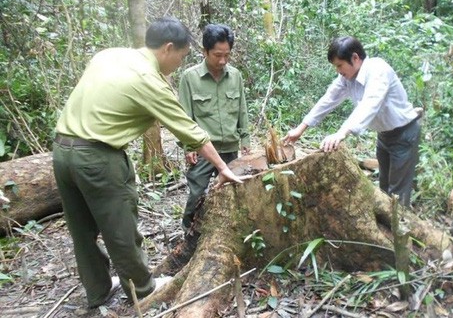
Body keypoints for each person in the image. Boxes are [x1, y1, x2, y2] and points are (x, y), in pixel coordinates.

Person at [52, 17, 242, 308]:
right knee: (122, 229)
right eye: (180, 56)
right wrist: (224, 168)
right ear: (168, 48)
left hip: (62, 152)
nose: (179, 63)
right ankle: (143, 292)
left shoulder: (110, 55)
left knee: (82, 230)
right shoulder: (150, 80)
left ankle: (98, 290)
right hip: (98, 157)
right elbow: (189, 130)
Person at [283, 36, 421, 206]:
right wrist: (300, 128)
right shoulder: (347, 78)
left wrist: (341, 133)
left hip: (404, 135)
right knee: (384, 188)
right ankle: (387, 227)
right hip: (384, 136)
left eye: (340, 65)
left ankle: (401, 229)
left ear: (355, 58)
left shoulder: (378, 70)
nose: (338, 71)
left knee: (397, 193)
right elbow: (329, 99)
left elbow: (369, 104)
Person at [178, 24, 250, 230]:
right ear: (205, 51)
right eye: (217, 55)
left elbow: (241, 110)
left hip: (230, 148)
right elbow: (184, 117)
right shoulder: (190, 78)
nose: (222, 61)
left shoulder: (235, 76)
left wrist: (245, 139)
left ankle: (231, 232)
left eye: (227, 55)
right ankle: (189, 234)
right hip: (202, 150)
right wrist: (188, 147)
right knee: (196, 195)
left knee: (235, 192)